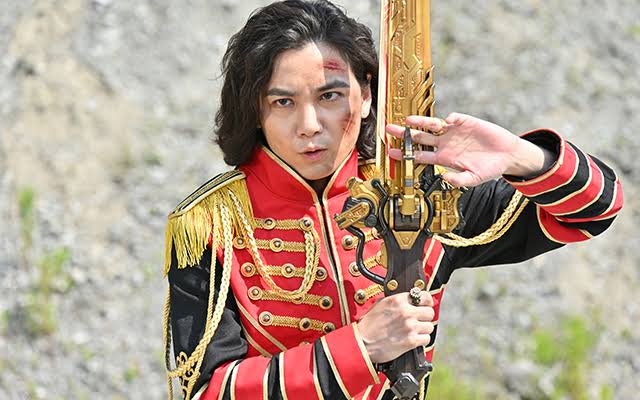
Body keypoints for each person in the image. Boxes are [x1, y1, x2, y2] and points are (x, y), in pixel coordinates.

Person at [162, 1, 624, 399]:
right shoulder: (210, 225)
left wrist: (521, 157)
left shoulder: (420, 196)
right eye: (283, 102)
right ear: (255, 109)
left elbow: (595, 210)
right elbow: (204, 391)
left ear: (366, 95)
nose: (309, 125)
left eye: (330, 96)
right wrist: (360, 347)